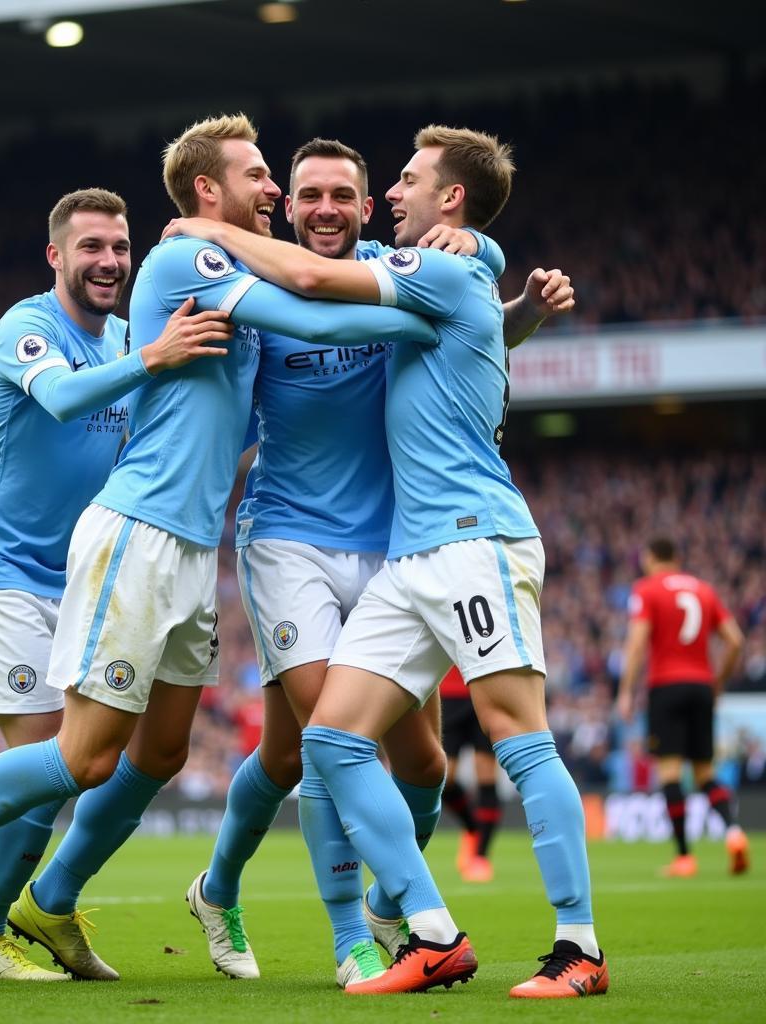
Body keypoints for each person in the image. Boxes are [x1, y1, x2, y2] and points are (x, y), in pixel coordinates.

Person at [0, 113, 441, 974]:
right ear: (208, 191)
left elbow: (232, 416)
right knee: (81, 755)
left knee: (160, 752)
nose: (276, 189)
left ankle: (46, 908)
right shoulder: (185, 260)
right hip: (134, 539)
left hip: (192, 548)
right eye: (259, 175)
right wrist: (444, 313)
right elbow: (317, 314)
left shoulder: (220, 286)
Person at [166, 123, 606, 998]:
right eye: (309, 195)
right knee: (327, 739)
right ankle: (400, 932)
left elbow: (320, 280)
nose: (393, 195)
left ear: (427, 202)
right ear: (287, 206)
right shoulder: (430, 270)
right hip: (355, 544)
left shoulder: (430, 266)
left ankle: (579, 950)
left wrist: (209, 227)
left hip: (469, 536)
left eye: (402, 182)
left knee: (494, 743)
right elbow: (473, 323)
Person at [0, 187, 234, 982]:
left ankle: (13, 912)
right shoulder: (27, 327)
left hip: (75, 575)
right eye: (92, 247)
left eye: (119, 248)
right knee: (53, 759)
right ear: (56, 256)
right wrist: (154, 357)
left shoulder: (133, 337)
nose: (108, 262)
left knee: (100, 761)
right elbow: (64, 401)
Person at [616, 536, 748, 877]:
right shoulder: (704, 590)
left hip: (667, 687)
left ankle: (684, 857)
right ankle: (734, 833)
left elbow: (637, 642)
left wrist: (626, 690)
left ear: (650, 557)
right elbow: (735, 640)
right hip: (702, 686)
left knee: (671, 773)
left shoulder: (647, 589)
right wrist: (717, 681)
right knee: (704, 773)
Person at [439, 665, 502, 883]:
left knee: (486, 772)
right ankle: (473, 828)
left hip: (483, 687)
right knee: (443, 778)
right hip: (447, 692)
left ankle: (480, 856)